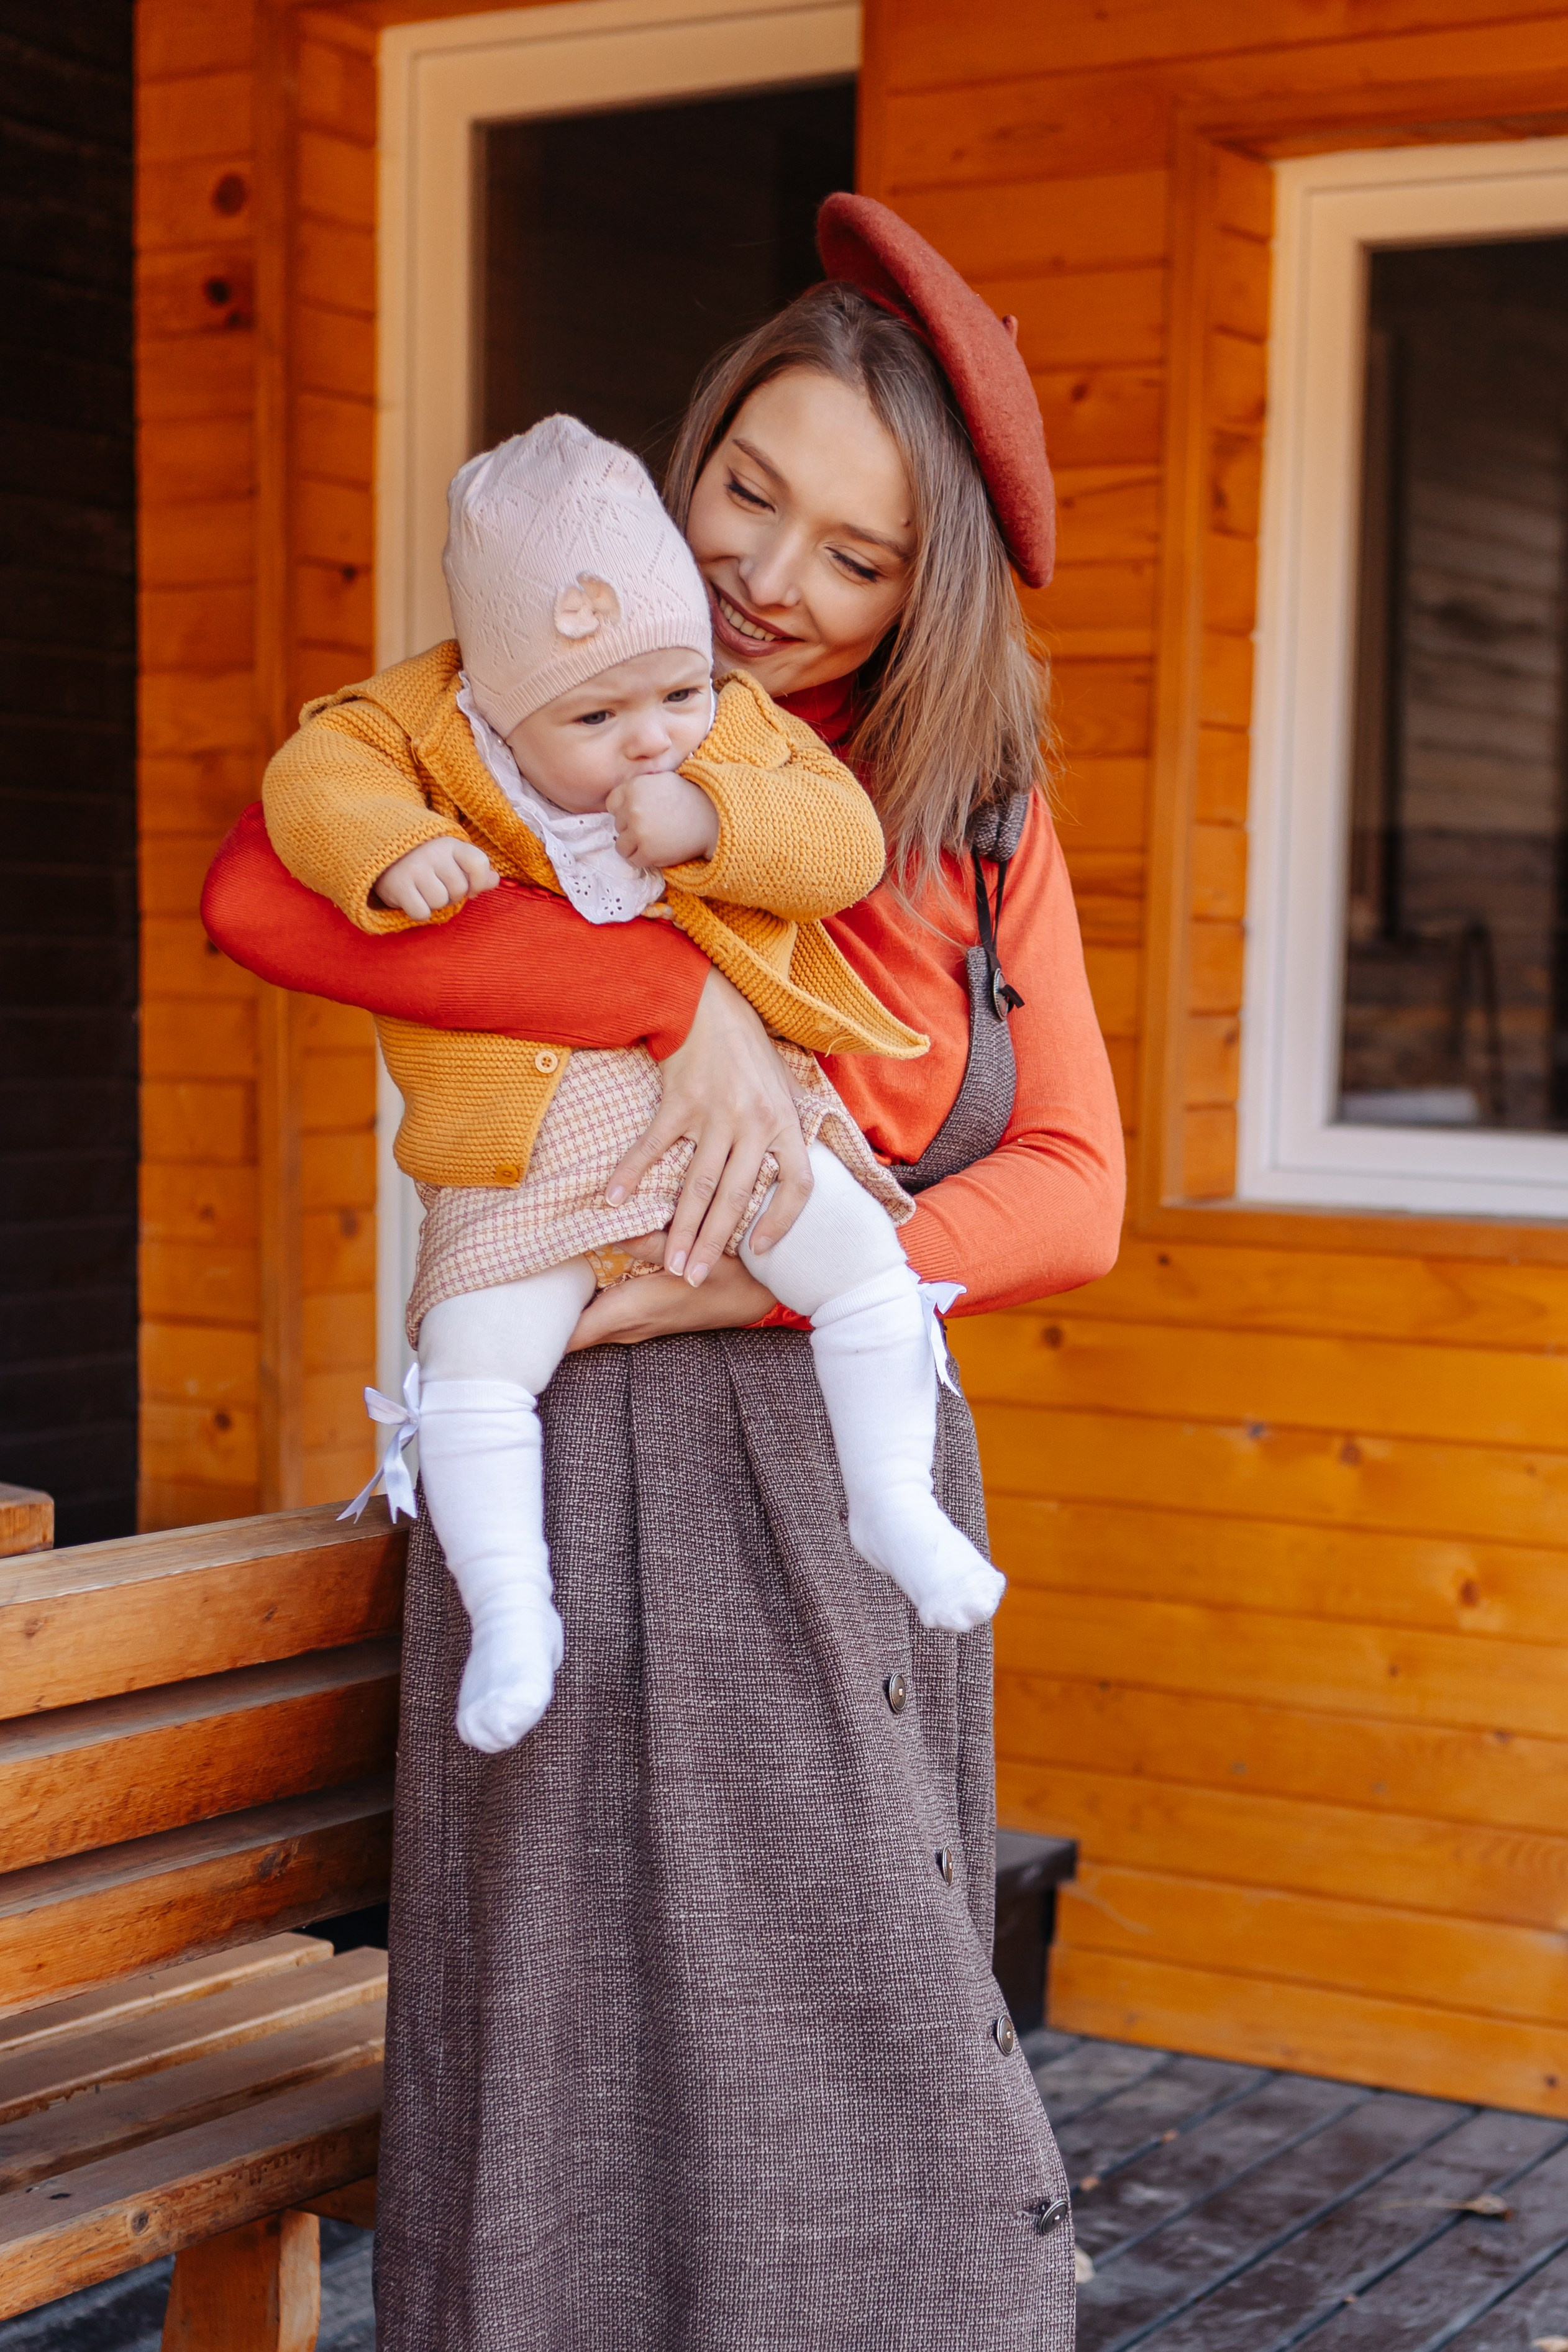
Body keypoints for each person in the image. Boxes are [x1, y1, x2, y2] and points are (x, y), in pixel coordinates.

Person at [203, 194, 1123, 2349]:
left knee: (873, 2041)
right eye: (748, 491)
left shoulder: (973, 812)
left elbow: (1075, 1185)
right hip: (602, 1480)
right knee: (589, 2066)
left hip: (851, 1469)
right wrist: (667, 1000)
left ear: (930, 587)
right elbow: (270, 887)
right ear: (690, 453)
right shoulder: (543, 707)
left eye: (856, 555)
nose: (770, 580)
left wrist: (784, 1273)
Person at [262, 414, 1003, 1756]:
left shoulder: (730, 731)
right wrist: (390, 854)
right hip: (525, 1155)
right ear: (491, 700)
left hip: (727, 1140)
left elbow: (836, 840)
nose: (649, 738)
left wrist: (717, 825)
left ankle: (890, 1497)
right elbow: (307, 780)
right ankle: (510, 1613)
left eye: (675, 694)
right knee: (471, 1371)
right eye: (595, 717)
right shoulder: (421, 732)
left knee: (863, 1273)